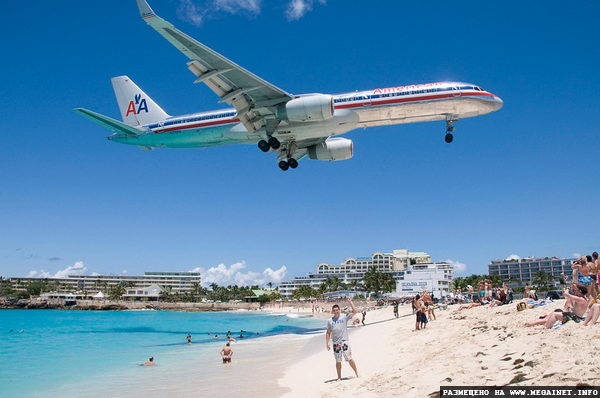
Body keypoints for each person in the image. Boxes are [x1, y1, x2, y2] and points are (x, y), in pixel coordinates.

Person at [325, 298, 359, 381]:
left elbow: (355, 311)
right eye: (334, 310)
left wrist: (350, 302)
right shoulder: (330, 321)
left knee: (349, 358)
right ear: (332, 311)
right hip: (336, 343)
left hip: (344, 342)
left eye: (337, 310)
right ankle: (339, 377)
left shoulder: (344, 317)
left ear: (339, 310)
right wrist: (327, 343)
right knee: (338, 361)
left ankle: (356, 372)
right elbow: (328, 332)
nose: (336, 311)